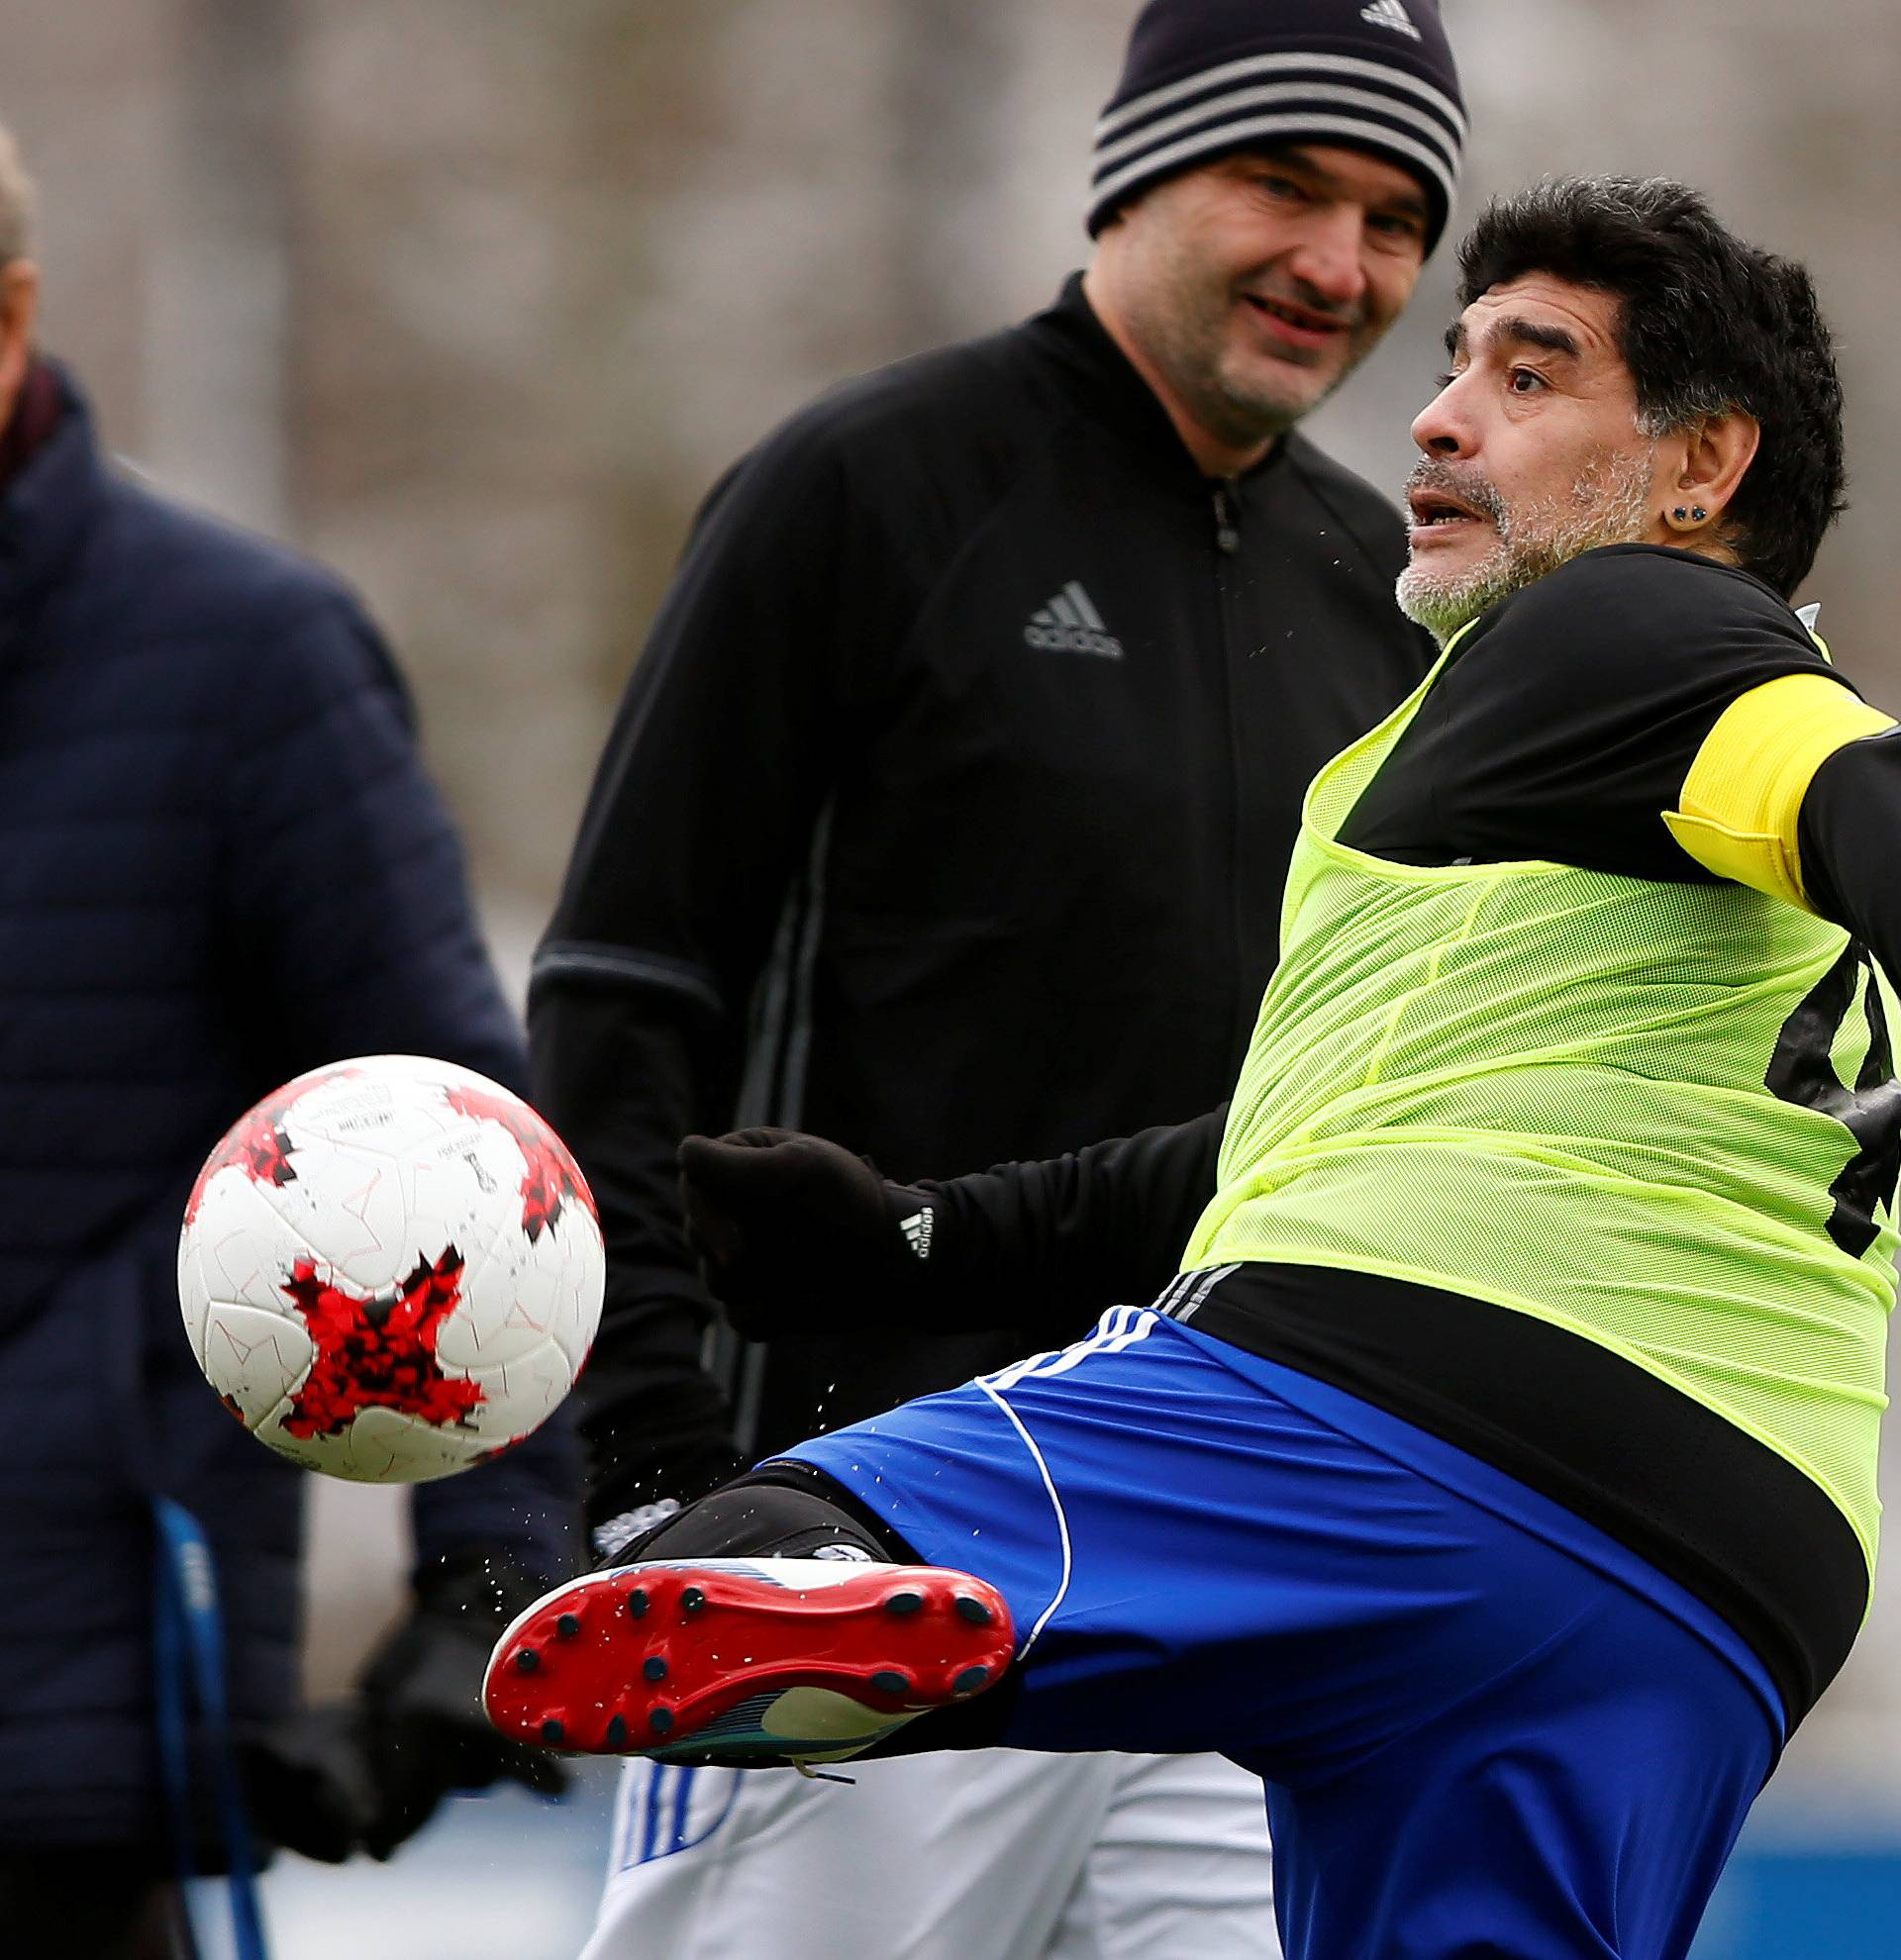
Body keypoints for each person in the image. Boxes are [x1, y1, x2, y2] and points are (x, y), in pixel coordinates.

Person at [490, 175, 1897, 1960]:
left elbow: (1849, 776)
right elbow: (1283, 1146)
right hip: (1720, 1586)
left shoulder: (1633, 631)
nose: (1443, 413)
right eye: (1455, 365)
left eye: (1532, 381)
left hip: (1423, 1424)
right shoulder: (1646, 832)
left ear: (1703, 471)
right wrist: (929, 1238)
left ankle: (838, 1567)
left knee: (803, 1521)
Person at [530, 0, 1463, 1951]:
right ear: (1136, 173)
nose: (1340, 262)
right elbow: (627, 997)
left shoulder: (1381, 593)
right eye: (1284, 183)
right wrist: (652, 1476)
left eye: (1395, 218)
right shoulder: (865, 489)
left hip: (1224, 1564)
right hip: (853, 1554)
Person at [0, 124, 580, 1958]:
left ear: (12, 315)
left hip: (72, 1695)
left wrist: (483, 1581)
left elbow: (468, 1163)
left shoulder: (250, 659)